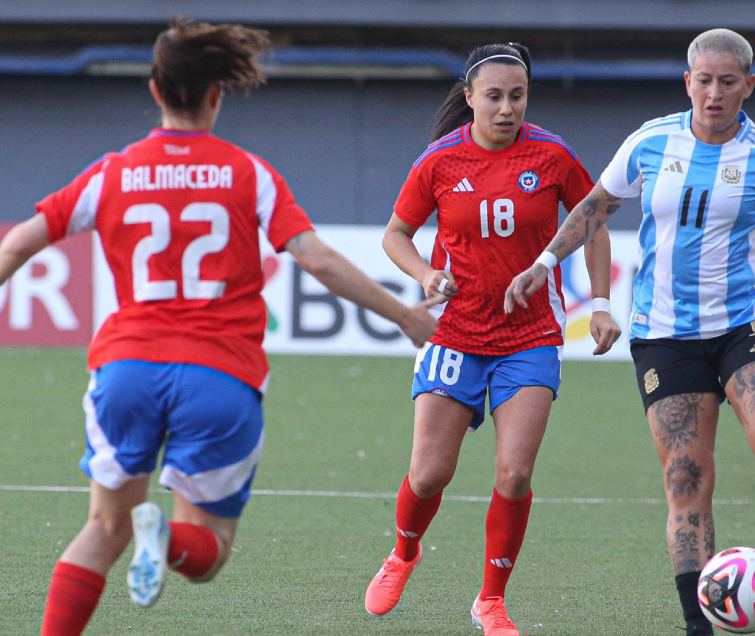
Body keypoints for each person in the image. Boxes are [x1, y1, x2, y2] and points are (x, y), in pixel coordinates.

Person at [0, 19, 439, 636]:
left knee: (103, 529)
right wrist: (405, 317)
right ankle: (168, 540)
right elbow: (316, 259)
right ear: (217, 95)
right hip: (219, 376)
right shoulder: (247, 174)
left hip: (126, 369)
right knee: (208, 552)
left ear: (155, 90)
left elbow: (19, 241)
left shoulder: (111, 173)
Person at [505, 28, 755, 636]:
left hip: (748, 322)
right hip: (665, 333)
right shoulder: (650, 141)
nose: (714, 93)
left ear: (747, 87)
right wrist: (544, 263)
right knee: (685, 474)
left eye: (727, 82)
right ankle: (697, 626)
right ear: (687, 82)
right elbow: (594, 208)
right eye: (703, 80)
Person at [364, 42, 620, 636]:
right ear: (470, 98)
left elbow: (595, 223)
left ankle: (490, 600)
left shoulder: (553, 155)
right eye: (495, 97)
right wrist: (426, 274)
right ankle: (403, 554)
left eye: (518, 96)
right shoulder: (439, 160)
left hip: (529, 336)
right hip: (454, 334)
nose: (507, 108)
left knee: (514, 475)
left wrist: (602, 304)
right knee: (428, 475)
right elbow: (397, 235)